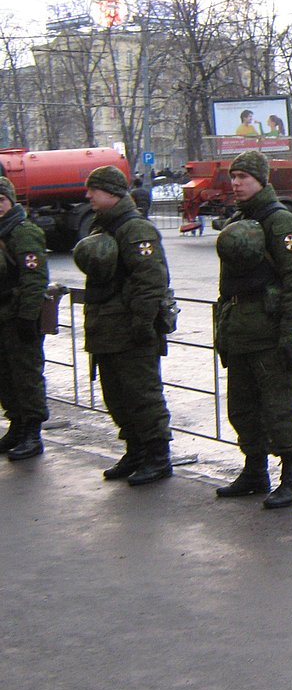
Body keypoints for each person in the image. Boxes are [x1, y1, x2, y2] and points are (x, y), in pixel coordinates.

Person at [213, 150, 292, 509]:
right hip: (241, 331)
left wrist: (289, 333)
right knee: (242, 408)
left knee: (280, 408)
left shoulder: (281, 222)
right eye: (233, 177)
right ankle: (255, 471)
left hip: (270, 334)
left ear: (261, 180)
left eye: (243, 177)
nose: (236, 183)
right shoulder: (240, 220)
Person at [74, 165, 174, 485]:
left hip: (131, 329)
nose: (88, 195)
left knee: (143, 395)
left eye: (93, 189)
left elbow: (150, 280)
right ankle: (135, 450)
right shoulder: (103, 225)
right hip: (107, 328)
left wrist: (142, 324)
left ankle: (158, 456)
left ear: (112, 193)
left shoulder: (135, 229)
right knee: (116, 396)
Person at [0, 176, 50, 461]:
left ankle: (32, 433)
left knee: (26, 375)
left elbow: (35, 279)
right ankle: (17, 425)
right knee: (5, 376)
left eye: (0, 200)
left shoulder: (23, 232)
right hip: (2, 316)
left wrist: (28, 317)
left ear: (11, 200)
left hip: (18, 316)